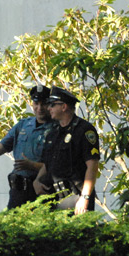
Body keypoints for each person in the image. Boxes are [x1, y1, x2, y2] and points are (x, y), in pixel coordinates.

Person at [0, 85, 54, 209]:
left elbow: (57, 164)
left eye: (44, 104)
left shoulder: (57, 129)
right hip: (18, 190)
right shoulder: (23, 125)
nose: (39, 108)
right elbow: (0, 148)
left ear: (50, 105)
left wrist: (32, 165)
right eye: (36, 103)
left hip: (42, 189)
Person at [33, 86, 100, 214]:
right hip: (55, 196)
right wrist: (37, 181)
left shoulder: (84, 130)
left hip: (76, 196)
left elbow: (92, 166)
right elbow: (48, 164)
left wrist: (84, 197)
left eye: (52, 105)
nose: (48, 108)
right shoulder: (53, 133)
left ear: (64, 107)